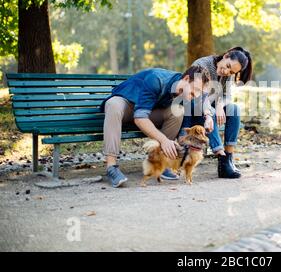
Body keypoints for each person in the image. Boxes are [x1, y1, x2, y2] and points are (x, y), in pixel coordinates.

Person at [101, 66, 210, 187]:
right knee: (113, 105)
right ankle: (111, 167)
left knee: (177, 111)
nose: (193, 95)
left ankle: (159, 159)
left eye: (196, 94)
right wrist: (164, 140)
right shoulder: (157, 79)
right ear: (186, 78)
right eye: (193, 90)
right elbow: (140, 118)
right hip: (127, 106)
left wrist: (207, 118)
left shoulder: (183, 92)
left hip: (148, 111)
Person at [179, 46, 253, 179]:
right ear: (226, 56)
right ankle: (221, 155)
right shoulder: (202, 65)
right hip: (194, 107)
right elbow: (199, 96)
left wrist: (220, 105)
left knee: (234, 109)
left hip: (211, 108)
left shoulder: (227, 75)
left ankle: (227, 159)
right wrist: (213, 109)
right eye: (228, 66)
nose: (227, 72)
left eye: (231, 72)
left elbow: (227, 96)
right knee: (211, 111)